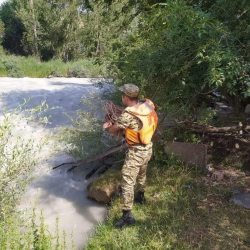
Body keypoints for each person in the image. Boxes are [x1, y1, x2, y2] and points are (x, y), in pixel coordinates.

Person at [103, 84, 158, 228]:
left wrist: (109, 125)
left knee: (127, 181)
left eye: (122, 95)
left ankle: (127, 215)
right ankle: (141, 196)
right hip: (148, 148)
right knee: (142, 173)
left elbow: (113, 130)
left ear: (126, 97)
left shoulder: (127, 115)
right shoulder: (147, 105)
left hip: (136, 152)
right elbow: (134, 124)